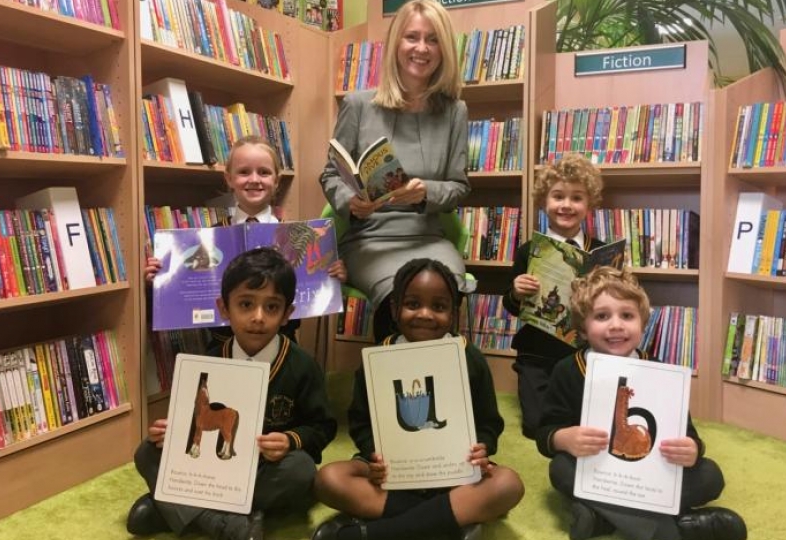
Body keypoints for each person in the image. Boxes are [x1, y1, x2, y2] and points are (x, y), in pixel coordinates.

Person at [128, 247, 339, 540]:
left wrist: (291, 440)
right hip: (211, 469)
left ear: (287, 314)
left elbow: (323, 427)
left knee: (301, 470)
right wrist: (172, 432)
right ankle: (225, 523)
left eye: (272, 307)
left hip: (265, 468)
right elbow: (194, 421)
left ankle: (174, 508)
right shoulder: (207, 361)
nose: (257, 317)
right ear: (224, 308)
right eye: (246, 304)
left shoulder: (303, 366)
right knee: (146, 452)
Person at [310, 258, 525, 540]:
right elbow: (361, 422)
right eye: (413, 304)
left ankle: (371, 533)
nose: (425, 314)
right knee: (328, 479)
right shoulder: (378, 357)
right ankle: (450, 521)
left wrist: (482, 447)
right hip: (392, 472)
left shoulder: (468, 357)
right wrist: (374, 454)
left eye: (438, 306)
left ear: (454, 313)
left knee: (508, 484)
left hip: (454, 470)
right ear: (395, 309)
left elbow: (488, 421)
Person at [537, 266, 747, 540]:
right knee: (561, 469)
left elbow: (687, 431)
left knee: (710, 475)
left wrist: (692, 449)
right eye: (602, 316)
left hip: (651, 473)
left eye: (627, 315)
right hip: (599, 472)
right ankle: (678, 529)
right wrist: (564, 438)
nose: (616, 325)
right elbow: (545, 433)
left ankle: (601, 519)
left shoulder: (660, 371)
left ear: (643, 324)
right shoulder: (567, 370)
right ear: (583, 329)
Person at [319, 0, 471, 343]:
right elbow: (330, 173)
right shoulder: (358, 105)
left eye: (432, 39)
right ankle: (386, 388)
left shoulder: (455, 111)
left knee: (445, 292)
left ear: (443, 48)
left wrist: (425, 192)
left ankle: (443, 389)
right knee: (401, 296)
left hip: (427, 235)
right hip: (370, 238)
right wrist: (351, 203)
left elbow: (459, 187)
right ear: (396, 45)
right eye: (412, 37)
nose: (421, 48)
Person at [145, 135, 347, 344]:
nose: (254, 179)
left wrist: (332, 275)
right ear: (229, 179)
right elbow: (177, 304)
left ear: (276, 180)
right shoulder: (206, 241)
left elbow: (314, 297)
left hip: (280, 345)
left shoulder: (296, 238)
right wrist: (159, 283)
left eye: (264, 172)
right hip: (223, 349)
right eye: (243, 172)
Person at [501, 152, 606, 439]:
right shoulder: (529, 251)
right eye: (558, 196)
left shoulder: (601, 252)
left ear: (589, 204)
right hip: (538, 355)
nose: (566, 205)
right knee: (536, 428)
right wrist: (516, 292)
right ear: (544, 201)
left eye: (576, 198)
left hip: (585, 355)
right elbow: (510, 306)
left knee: (595, 424)